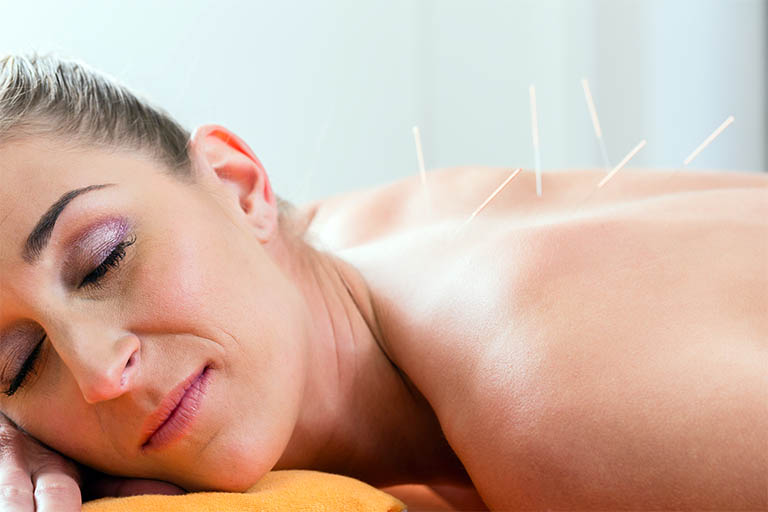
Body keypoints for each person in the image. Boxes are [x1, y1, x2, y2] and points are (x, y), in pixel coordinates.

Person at [0, 53, 765, 512]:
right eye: (21, 364)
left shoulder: (549, 400)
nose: (99, 373)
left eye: (102, 260)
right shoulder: (345, 252)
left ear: (239, 186)